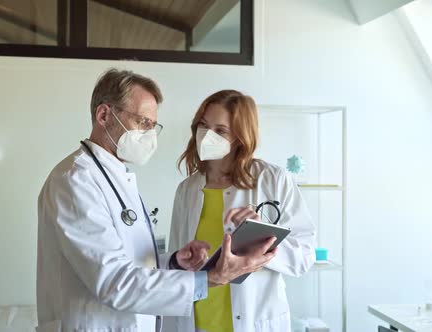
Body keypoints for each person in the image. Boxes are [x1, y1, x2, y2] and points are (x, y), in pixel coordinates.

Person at [36, 69, 277, 332]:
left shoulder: (114, 175)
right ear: (104, 115)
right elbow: (114, 282)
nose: (150, 134)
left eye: (153, 125)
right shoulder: (75, 181)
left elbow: (125, 261)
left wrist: (173, 262)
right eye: (143, 122)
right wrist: (209, 279)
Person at [164, 90, 316, 332]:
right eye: (203, 125)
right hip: (196, 320)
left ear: (240, 137)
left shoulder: (273, 180)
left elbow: (304, 257)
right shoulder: (187, 190)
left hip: (254, 320)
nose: (207, 136)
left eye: (220, 130)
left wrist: (263, 237)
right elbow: (173, 260)